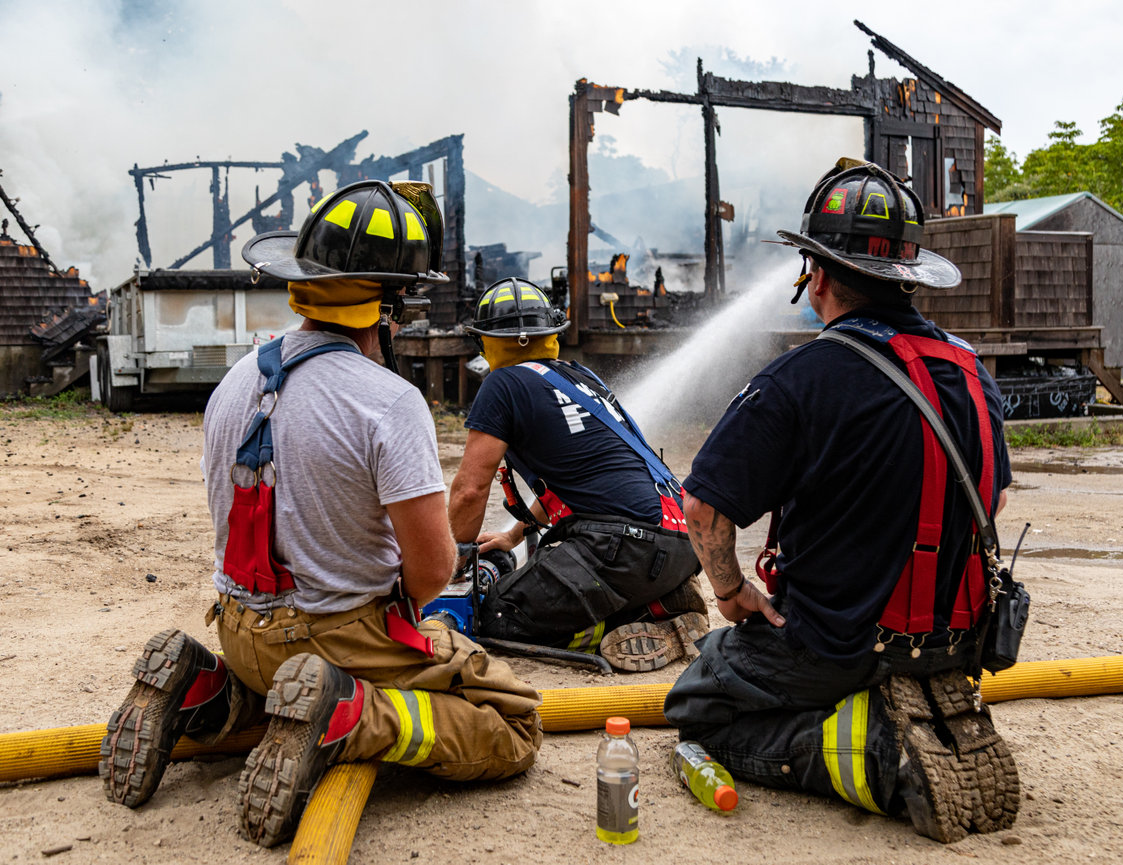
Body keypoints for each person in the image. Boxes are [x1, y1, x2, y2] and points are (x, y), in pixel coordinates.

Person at [99, 180, 542, 848]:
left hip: (241, 632)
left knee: (287, 683)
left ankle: (201, 690)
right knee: (512, 719)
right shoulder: (386, 402)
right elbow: (430, 571)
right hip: (334, 638)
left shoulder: (235, 384)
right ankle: (352, 715)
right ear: (389, 304)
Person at [663, 159, 1019, 843]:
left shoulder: (805, 377)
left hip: (837, 641)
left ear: (817, 274)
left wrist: (734, 593)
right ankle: (911, 692)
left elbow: (703, 510)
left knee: (699, 701)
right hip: (956, 635)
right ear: (907, 277)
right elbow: (992, 499)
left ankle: (878, 754)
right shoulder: (970, 369)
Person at [447, 277, 707, 672]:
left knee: (496, 616)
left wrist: (453, 558)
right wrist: (513, 535)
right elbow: (584, 477)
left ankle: (626, 625)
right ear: (550, 333)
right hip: (684, 543)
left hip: (625, 549)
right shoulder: (580, 378)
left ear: (487, 341)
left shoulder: (504, 383)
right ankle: (663, 602)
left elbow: (470, 489)